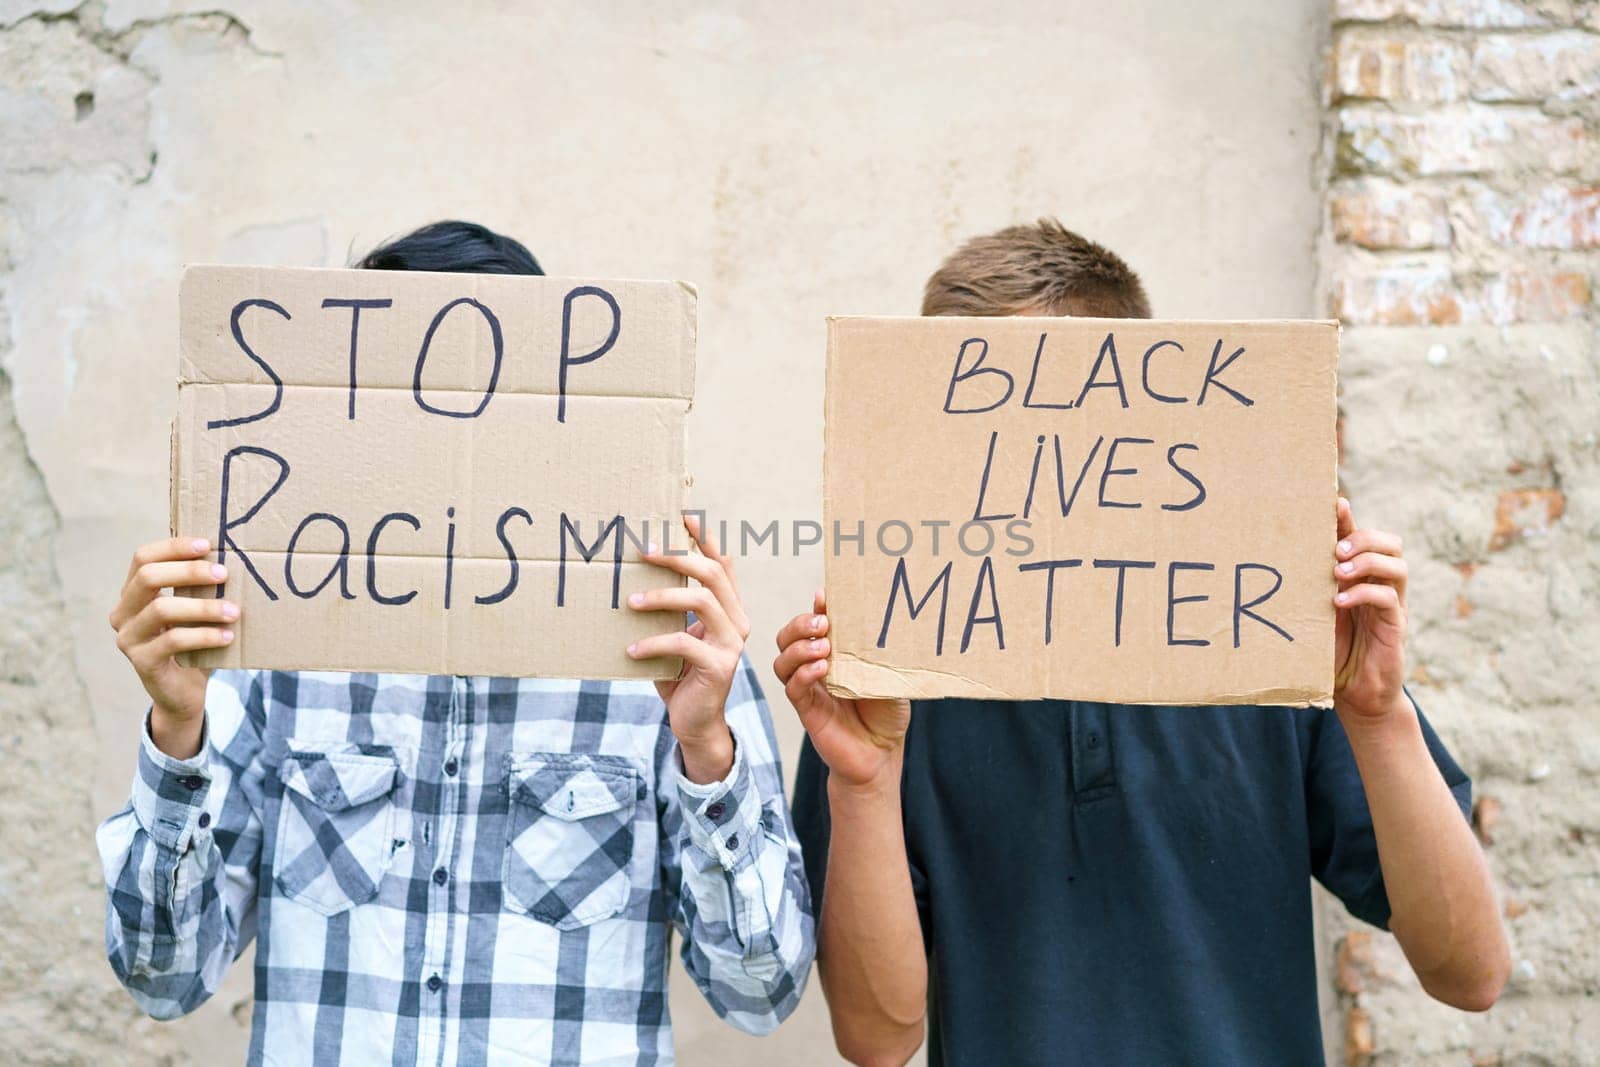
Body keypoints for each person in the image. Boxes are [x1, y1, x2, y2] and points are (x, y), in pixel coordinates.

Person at [776, 219, 1509, 1066]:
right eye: (976, 423)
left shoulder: (1272, 636)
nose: (1017, 461)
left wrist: (1379, 716)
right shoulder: (886, 676)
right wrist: (865, 784)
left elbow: (1472, 972)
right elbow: (875, 1036)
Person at [98, 220, 813, 1065]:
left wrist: (706, 747)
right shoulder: (272, 639)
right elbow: (161, 977)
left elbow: (761, 991)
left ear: (554, 424)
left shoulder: (664, 649)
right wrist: (177, 734)